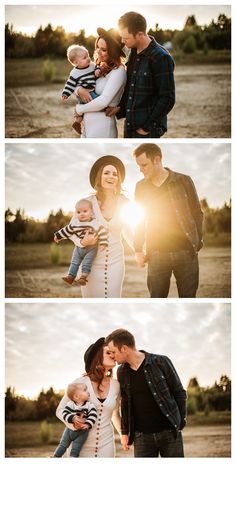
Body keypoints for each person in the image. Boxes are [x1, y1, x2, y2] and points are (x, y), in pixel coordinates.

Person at [133, 143, 203, 298]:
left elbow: (197, 213)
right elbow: (139, 218)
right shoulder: (141, 187)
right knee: (156, 299)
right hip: (156, 255)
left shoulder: (184, 181)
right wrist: (138, 249)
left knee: (188, 299)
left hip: (186, 253)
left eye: (144, 165)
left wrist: (197, 241)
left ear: (157, 160)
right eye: (138, 165)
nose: (140, 169)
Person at [106, 328, 187, 458]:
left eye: (113, 352)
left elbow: (179, 392)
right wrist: (125, 432)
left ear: (124, 348)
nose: (112, 356)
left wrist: (181, 421)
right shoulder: (121, 372)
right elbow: (125, 404)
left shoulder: (161, 362)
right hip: (142, 438)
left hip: (169, 432)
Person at [106, 11, 175, 138]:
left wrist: (146, 127)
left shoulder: (161, 57)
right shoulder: (133, 51)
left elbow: (168, 98)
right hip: (130, 125)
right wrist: (120, 107)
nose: (122, 41)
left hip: (147, 130)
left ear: (140, 34)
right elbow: (131, 87)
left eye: (126, 38)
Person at [76, 155, 133, 298]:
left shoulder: (124, 202)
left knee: (114, 298)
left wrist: (139, 250)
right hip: (89, 264)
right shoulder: (86, 203)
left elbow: (127, 230)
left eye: (115, 174)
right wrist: (82, 242)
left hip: (116, 261)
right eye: (106, 172)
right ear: (99, 177)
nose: (111, 176)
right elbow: (73, 229)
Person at [56, 338, 121, 457]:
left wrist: (123, 435)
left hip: (106, 445)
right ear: (97, 358)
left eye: (113, 352)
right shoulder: (79, 382)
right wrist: (73, 422)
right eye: (108, 352)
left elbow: (115, 415)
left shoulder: (117, 385)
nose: (113, 355)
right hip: (80, 445)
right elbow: (59, 410)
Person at [73, 27, 127, 137]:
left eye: (104, 50)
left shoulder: (119, 71)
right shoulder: (98, 67)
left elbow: (103, 101)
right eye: (97, 47)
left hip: (102, 125)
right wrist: (79, 90)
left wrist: (79, 109)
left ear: (113, 52)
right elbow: (76, 82)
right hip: (87, 124)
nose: (98, 51)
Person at [54, 198, 108, 286]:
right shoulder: (75, 223)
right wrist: (58, 236)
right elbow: (66, 230)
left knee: (87, 262)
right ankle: (70, 277)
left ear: (91, 212)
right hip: (78, 248)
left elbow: (102, 232)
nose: (81, 214)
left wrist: (103, 243)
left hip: (91, 248)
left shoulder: (95, 223)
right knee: (74, 261)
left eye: (85, 211)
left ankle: (83, 277)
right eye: (78, 212)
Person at [61, 44, 106, 134]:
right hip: (87, 92)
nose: (88, 58)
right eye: (84, 58)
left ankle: (77, 122)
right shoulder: (74, 73)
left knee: (82, 110)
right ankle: (105, 108)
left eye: (88, 56)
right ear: (76, 62)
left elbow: (96, 67)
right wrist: (65, 94)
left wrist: (97, 70)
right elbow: (70, 84)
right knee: (96, 100)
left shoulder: (91, 65)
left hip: (88, 91)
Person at [53, 382, 97, 457]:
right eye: (84, 390)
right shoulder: (70, 404)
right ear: (76, 396)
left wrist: (88, 424)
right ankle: (56, 456)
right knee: (63, 445)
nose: (88, 392)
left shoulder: (89, 405)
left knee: (76, 449)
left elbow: (93, 415)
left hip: (82, 432)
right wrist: (72, 418)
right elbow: (65, 413)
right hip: (69, 431)